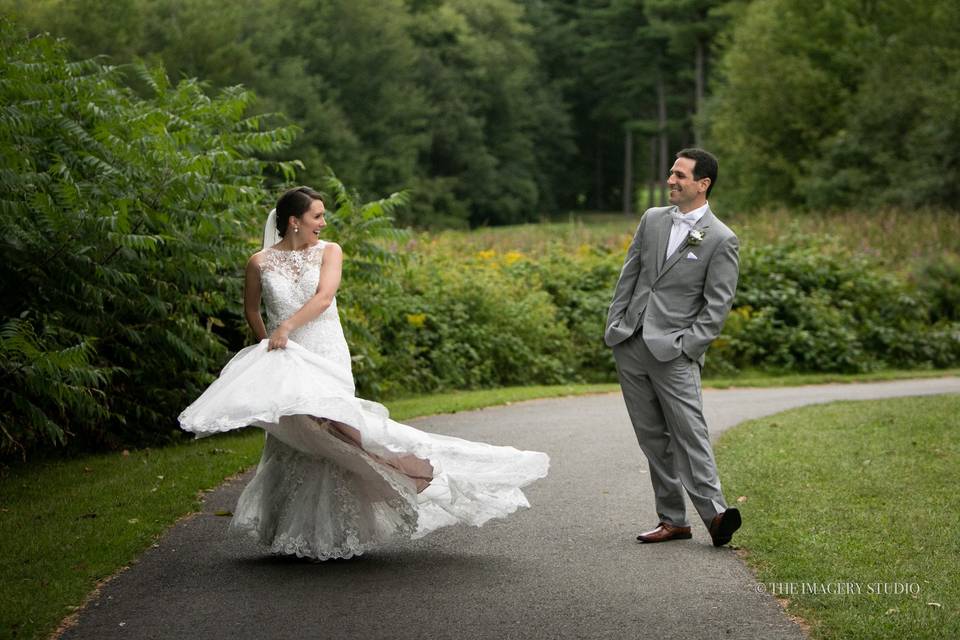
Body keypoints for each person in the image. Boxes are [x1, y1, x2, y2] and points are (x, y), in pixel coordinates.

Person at [180, 186, 549, 560]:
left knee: (337, 428)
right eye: (317, 216)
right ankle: (298, 532)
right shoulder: (259, 261)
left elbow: (324, 298)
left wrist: (286, 327)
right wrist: (268, 347)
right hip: (287, 357)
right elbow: (252, 310)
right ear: (294, 221)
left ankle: (395, 482)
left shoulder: (330, 251)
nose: (323, 223)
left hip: (324, 351)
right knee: (297, 435)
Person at [604, 149, 741, 547]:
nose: (671, 180)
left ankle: (716, 515)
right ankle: (672, 520)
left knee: (689, 432)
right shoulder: (651, 220)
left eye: (680, 175)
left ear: (703, 184)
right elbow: (630, 273)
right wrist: (616, 324)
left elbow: (717, 307)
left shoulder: (721, 239)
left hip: (675, 353)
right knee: (651, 438)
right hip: (630, 343)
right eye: (671, 173)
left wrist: (687, 347)